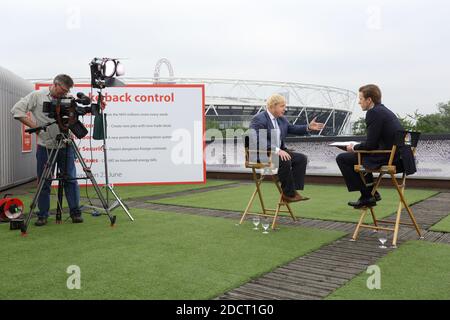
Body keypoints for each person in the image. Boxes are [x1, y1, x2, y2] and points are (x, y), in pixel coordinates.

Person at [11, 74, 83, 226]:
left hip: (66, 145)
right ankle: (42, 215)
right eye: (63, 90)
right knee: (44, 181)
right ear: (55, 84)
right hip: (45, 147)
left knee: (70, 179)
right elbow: (16, 111)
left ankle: (75, 212)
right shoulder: (37, 96)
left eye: (67, 91)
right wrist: (36, 128)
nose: (64, 94)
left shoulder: (68, 98)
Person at [336, 84, 416, 209]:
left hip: (389, 158)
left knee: (342, 158)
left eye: (361, 99)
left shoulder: (373, 113)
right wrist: (358, 147)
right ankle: (371, 193)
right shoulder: (385, 111)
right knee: (358, 156)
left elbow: (370, 145)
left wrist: (354, 147)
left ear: (369, 100)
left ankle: (367, 195)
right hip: (400, 158)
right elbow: (374, 142)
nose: (359, 102)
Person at [249, 94, 325, 202]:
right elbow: (257, 139)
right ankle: (289, 193)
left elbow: (292, 128)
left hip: (278, 153)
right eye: (282, 106)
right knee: (285, 159)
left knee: (301, 158)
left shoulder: (281, 119)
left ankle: (291, 191)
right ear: (273, 106)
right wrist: (277, 150)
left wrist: (308, 127)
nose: (285, 109)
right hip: (262, 154)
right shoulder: (258, 119)